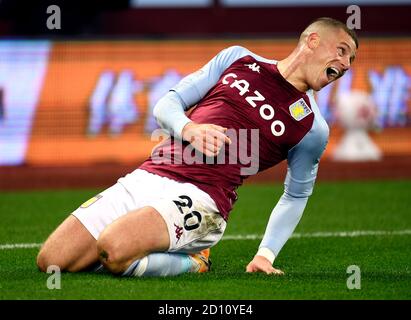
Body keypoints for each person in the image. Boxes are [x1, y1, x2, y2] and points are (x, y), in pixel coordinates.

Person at [37, 17, 358, 277]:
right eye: (342, 51)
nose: (345, 64)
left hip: (203, 198)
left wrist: (265, 254)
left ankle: (194, 260)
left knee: (113, 249)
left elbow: (296, 195)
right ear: (312, 41)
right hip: (149, 175)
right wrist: (188, 128)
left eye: (351, 60)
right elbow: (168, 103)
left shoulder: (312, 128)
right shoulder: (239, 59)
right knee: (51, 260)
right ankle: (153, 244)